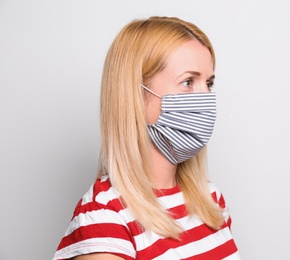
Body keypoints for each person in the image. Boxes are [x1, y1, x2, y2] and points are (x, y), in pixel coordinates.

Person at [53, 16, 240, 260]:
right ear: (136, 96)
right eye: (188, 82)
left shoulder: (210, 199)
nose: (205, 98)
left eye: (208, 83)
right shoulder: (105, 216)